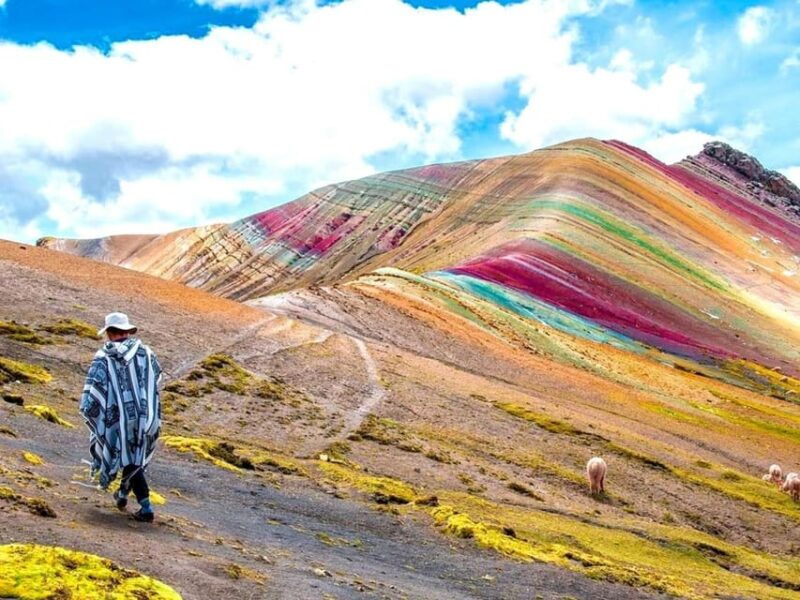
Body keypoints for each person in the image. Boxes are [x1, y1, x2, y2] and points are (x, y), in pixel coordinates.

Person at [79, 312, 162, 523]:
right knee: (134, 456)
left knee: (127, 456)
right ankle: (123, 495)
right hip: (145, 416)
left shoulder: (105, 356)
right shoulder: (147, 353)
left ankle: (146, 507)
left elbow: (94, 387)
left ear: (109, 333)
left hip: (117, 416)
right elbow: (156, 377)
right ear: (126, 331)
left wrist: (91, 407)